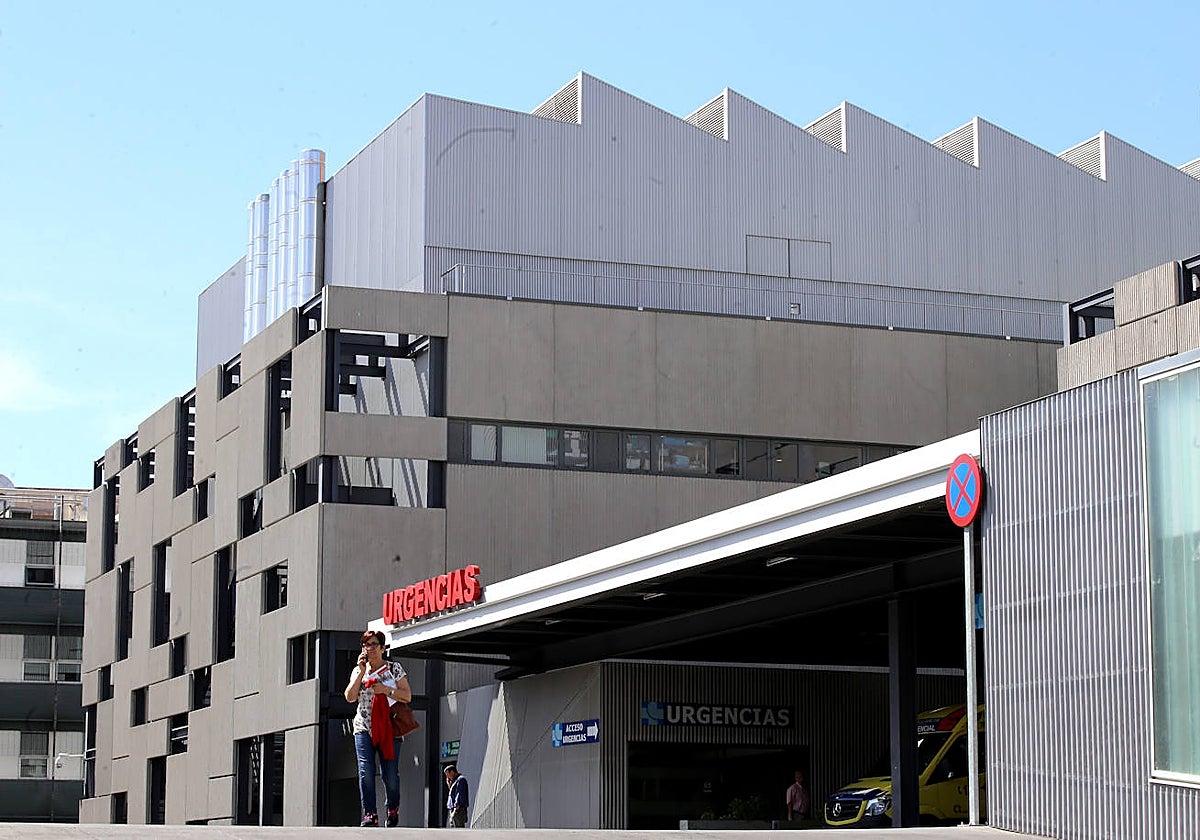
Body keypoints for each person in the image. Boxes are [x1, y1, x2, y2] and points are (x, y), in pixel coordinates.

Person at [344, 630, 412, 827]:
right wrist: (361, 672)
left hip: (389, 726)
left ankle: (392, 808)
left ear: (383, 648)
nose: (370, 648)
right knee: (365, 770)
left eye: (374, 644)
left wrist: (386, 690)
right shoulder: (359, 670)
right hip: (364, 727)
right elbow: (349, 697)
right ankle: (370, 814)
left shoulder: (393, 668)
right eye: (366, 645)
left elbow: (407, 696)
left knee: (389, 774)